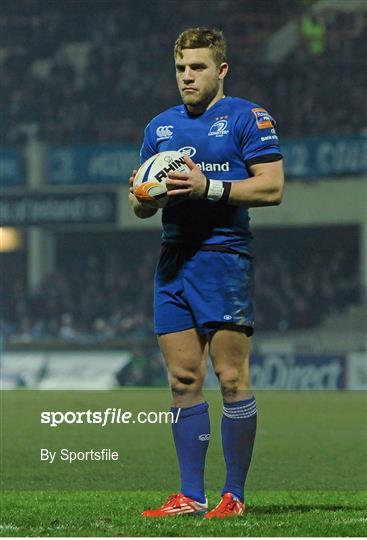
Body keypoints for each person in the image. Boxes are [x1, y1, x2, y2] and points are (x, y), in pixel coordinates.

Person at [129, 27, 284, 518]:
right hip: (173, 259)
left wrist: (207, 188)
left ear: (221, 70)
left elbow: (272, 187)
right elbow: (141, 211)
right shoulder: (160, 127)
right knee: (181, 380)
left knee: (232, 377)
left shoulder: (247, 117)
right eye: (180, 69)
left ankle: (233, 496)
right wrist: (142, 194)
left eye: (197, 68)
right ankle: (191, 496)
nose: (187, 77)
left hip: (223, 256)